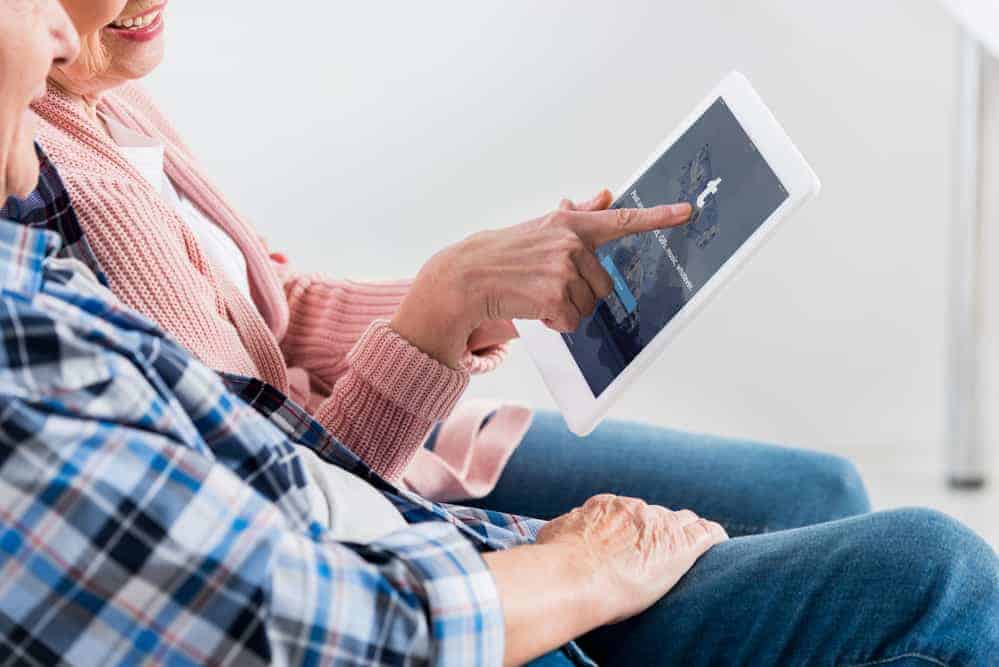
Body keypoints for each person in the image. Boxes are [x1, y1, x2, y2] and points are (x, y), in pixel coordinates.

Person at [3, 1, 997, 665]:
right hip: (373, 472)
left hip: (379, 453)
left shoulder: (108, 99)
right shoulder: (38, 192)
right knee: (908, 557)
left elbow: (282, 309)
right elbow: (301, 490)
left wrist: (486, 288)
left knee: (820, 490)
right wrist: (433, 325)